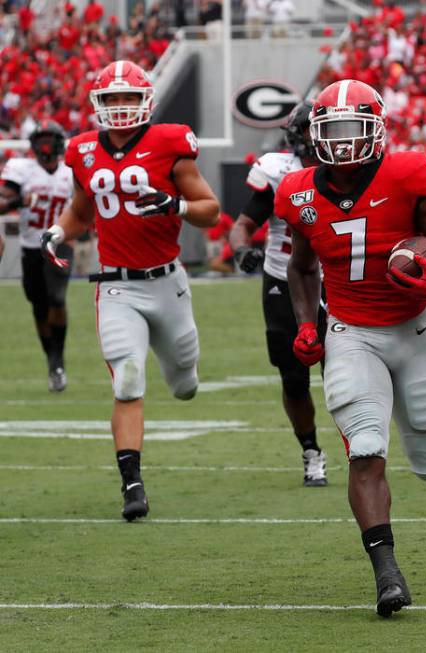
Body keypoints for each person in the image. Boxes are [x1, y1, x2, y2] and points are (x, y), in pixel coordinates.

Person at [275, 79, 426, 617]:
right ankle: (387, 573)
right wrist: (306, 324)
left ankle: (424, 453)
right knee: (364, 448)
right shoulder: (297, 190)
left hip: (412, 329)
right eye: (331, 131)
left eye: (351, 129)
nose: (341, 142)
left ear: (376, 129)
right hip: (349, 332)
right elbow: (300, 266)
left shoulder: (408, 174)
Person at [42, 60, 220, 520]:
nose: (120, 107)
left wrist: (174, 204)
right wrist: (58, 233)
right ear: (97, 105)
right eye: (112, 99)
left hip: (167, 282)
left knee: (184, 384)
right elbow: (80, 213)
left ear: (146, 102)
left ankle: (183, 371)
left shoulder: (168, 142)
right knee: (127, 378)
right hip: (117, 286)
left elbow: (210, 210)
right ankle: (133, 485)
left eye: (128, 98)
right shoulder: (82, 150)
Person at [228, 101, 330, 487]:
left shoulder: (350, 172)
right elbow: (243, 225)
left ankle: (361, 447)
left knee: (347, 372)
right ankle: (310, 449)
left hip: (337, 279)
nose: (318, 138)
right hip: (285, 280)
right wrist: (241, 251)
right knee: (294, 377)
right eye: (311, 130)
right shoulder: (278, 171)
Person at [0, 120, 74, 391]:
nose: (46, 144)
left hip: (60, 242)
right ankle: (52, 360)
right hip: (31, 247)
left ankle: (58, 360)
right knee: (39, 307)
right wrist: (18, 202)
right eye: (41, 137)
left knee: (57, 298)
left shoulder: (70, 170)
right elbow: (1, 203)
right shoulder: (22, 169)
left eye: (50, 137)